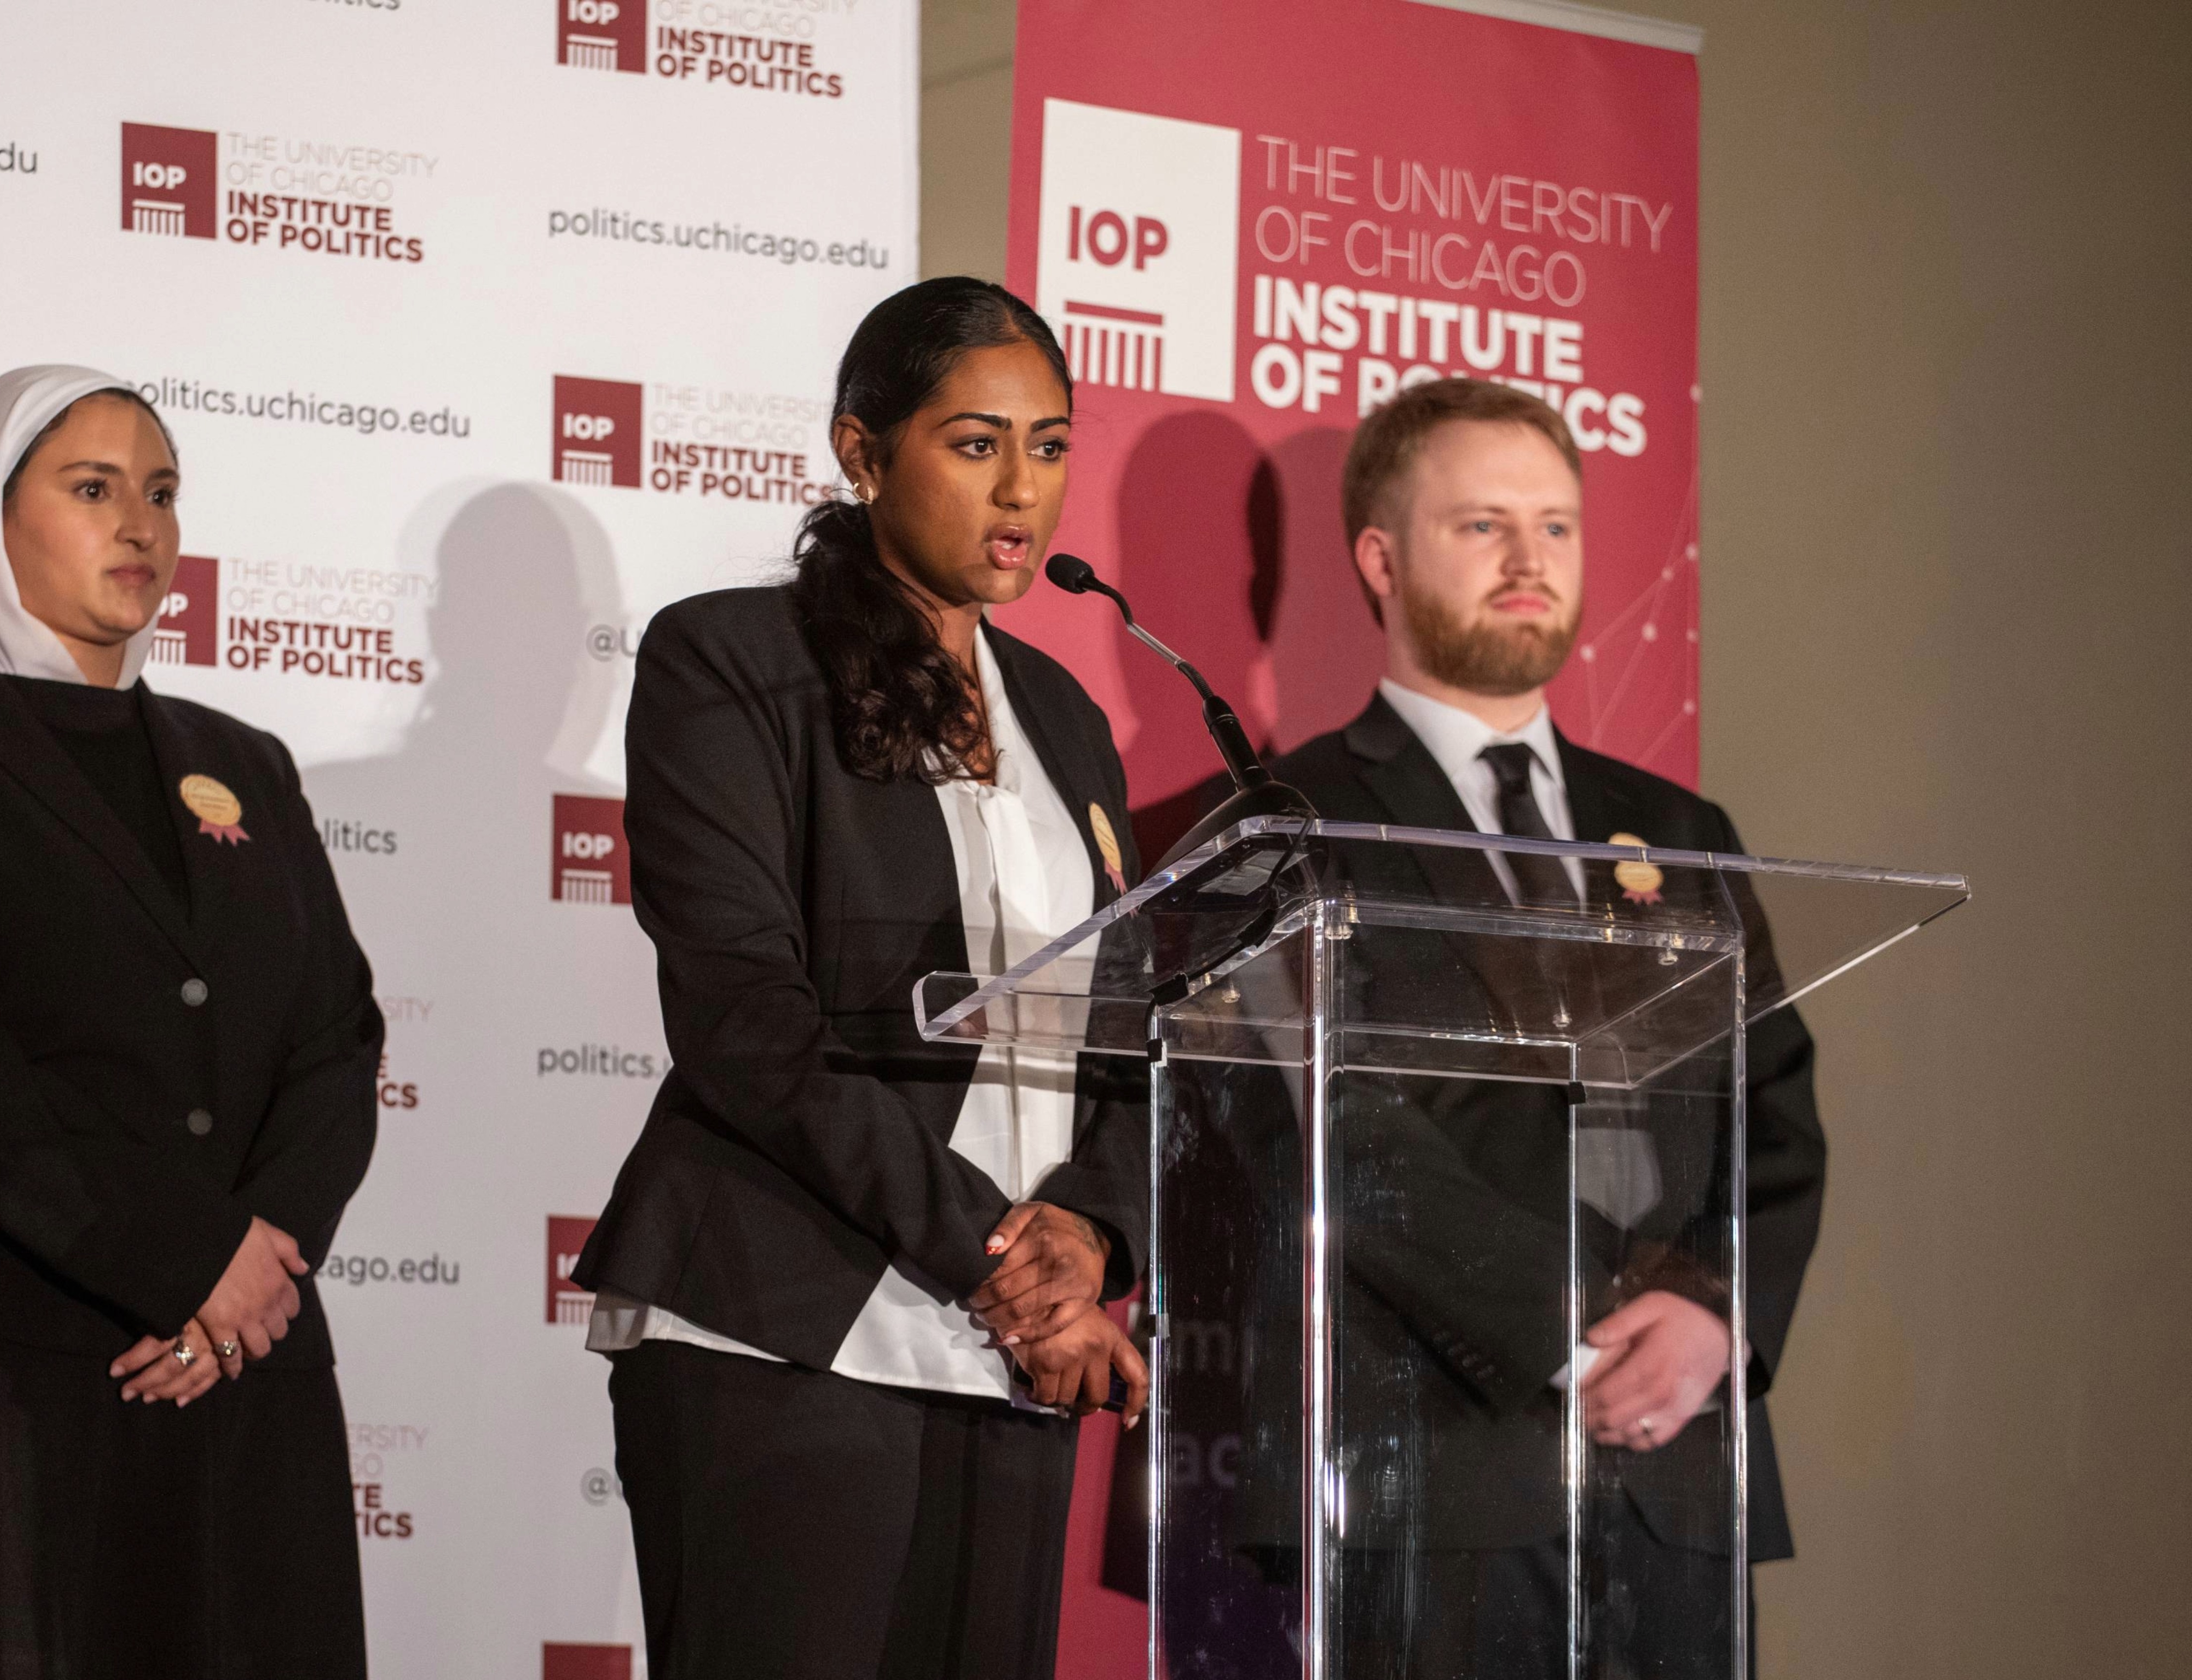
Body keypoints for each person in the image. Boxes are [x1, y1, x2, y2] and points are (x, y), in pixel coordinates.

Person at [0, 365, 382, 1677]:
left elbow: (336, 1037)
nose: (141, 527)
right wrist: (187, 1255)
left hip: (230, 1370)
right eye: (92, 489)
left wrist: (251, 1284)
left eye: (160, 493)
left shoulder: (243, 758)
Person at [572, 277, 1153, 1680]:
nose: (1023, 488)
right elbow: (744, 1023)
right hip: (789, 1322)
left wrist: (1093, 1240)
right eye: (975, 442)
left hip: (1003, 1352)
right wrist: (1002, 1257)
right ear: (861, 449)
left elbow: (1124, 1035)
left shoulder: (1068, 719)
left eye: (1053, 444)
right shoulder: (733, 661)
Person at [1220, 376, 1826, 1674]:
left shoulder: (1680, 830)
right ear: (1380, 558)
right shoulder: (1291, 821)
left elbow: (1769, 1108)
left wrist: (1715, 1317)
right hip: (1431, 1472)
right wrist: (1574, 1326)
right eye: (1482, 525)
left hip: (1679, 1475)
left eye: (1555, 526)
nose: (1528, 562)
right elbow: (1329, 1124)